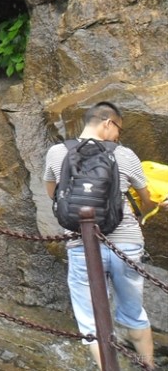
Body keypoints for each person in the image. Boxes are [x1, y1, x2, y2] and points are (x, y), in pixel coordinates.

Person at [43, 101, 167, 368]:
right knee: (134, 313)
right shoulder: (125, 155)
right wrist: (155, 205)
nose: (118, 136)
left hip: (81, 244)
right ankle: (149, 366)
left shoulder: (56, 153)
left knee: (91, 322)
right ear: (107, 123)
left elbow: (54, 194)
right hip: (126, 243)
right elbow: (145, 201)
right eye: (118, 129)